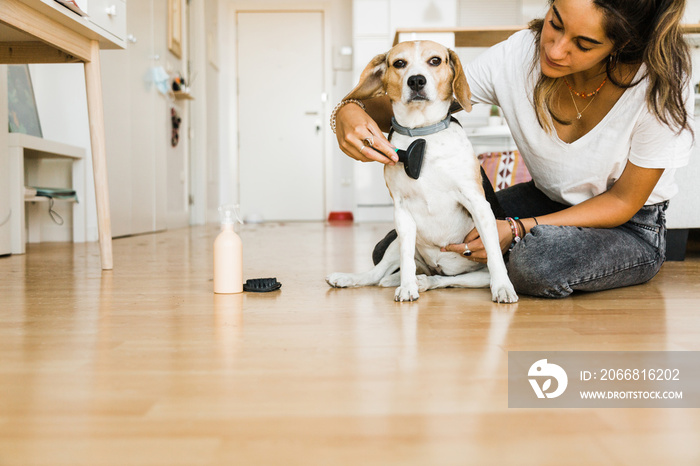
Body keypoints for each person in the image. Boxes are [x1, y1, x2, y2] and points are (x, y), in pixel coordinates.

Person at [331, 0, 695, 298]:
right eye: (555, 23)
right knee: (392, 251)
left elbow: (623, 202)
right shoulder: (518, 54)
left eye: (583, 44)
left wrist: (518, 229)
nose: (554, 49)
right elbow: (435, 93)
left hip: (629, 226)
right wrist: (348, 110)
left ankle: (481, 269)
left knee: (534, 263)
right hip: (545, 198)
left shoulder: (660, 85)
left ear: (624, 46)